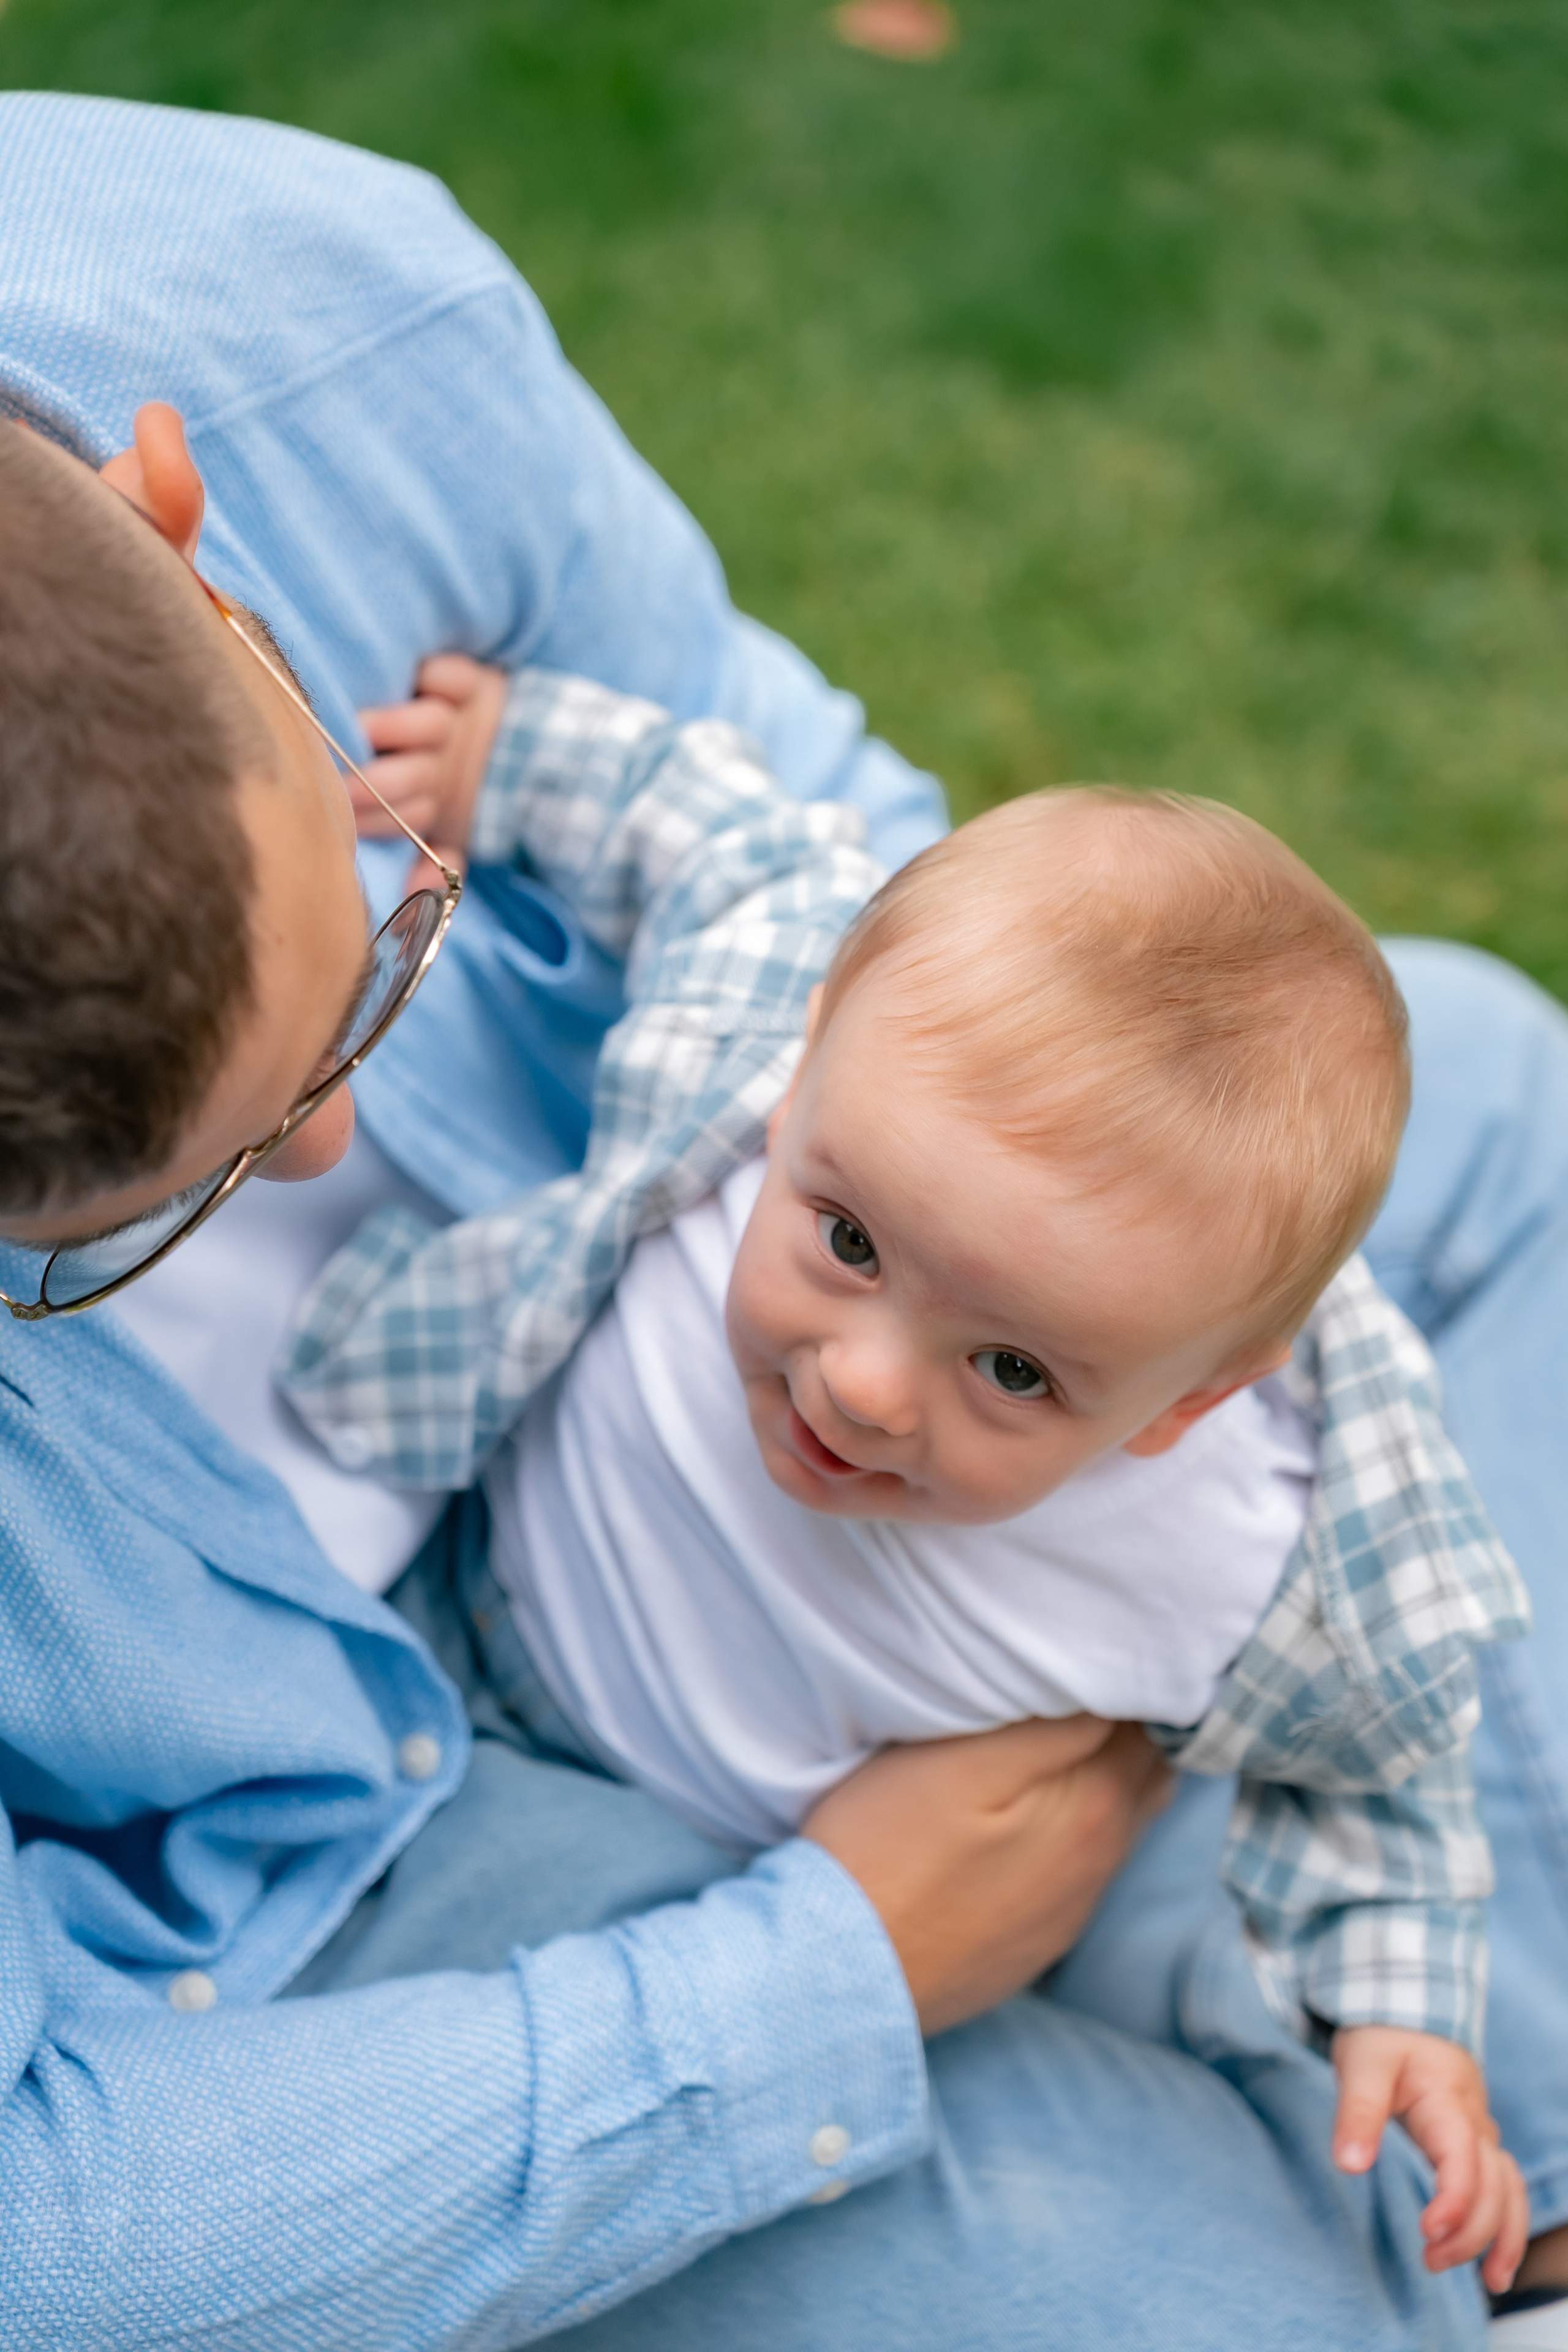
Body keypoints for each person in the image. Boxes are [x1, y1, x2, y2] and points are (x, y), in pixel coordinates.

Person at [0, 88, 1563, 2351]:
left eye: (375, 972)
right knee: (1285, 2311)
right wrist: (829, 1971)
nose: (335, 1157)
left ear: (178, 517)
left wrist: (1189, 1354)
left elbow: (772, 806)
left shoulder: (304, 306)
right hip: (326, 1830)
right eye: (132, 1225)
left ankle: (1470, 2128)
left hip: (725, 1427)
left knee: (1493, 1092)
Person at [276, 660, 1528, 2287]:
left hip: (742, 1864)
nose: (861, 1387)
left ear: (1179, 1407)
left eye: (1014, 1370)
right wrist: (520, 759)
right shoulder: (781, 1031)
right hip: (468, 1614)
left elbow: (1386, 1752)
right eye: (848, 1241)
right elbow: (715, 832)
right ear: (803, 1073)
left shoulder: (1254, 1550)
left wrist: (1401, 1999)